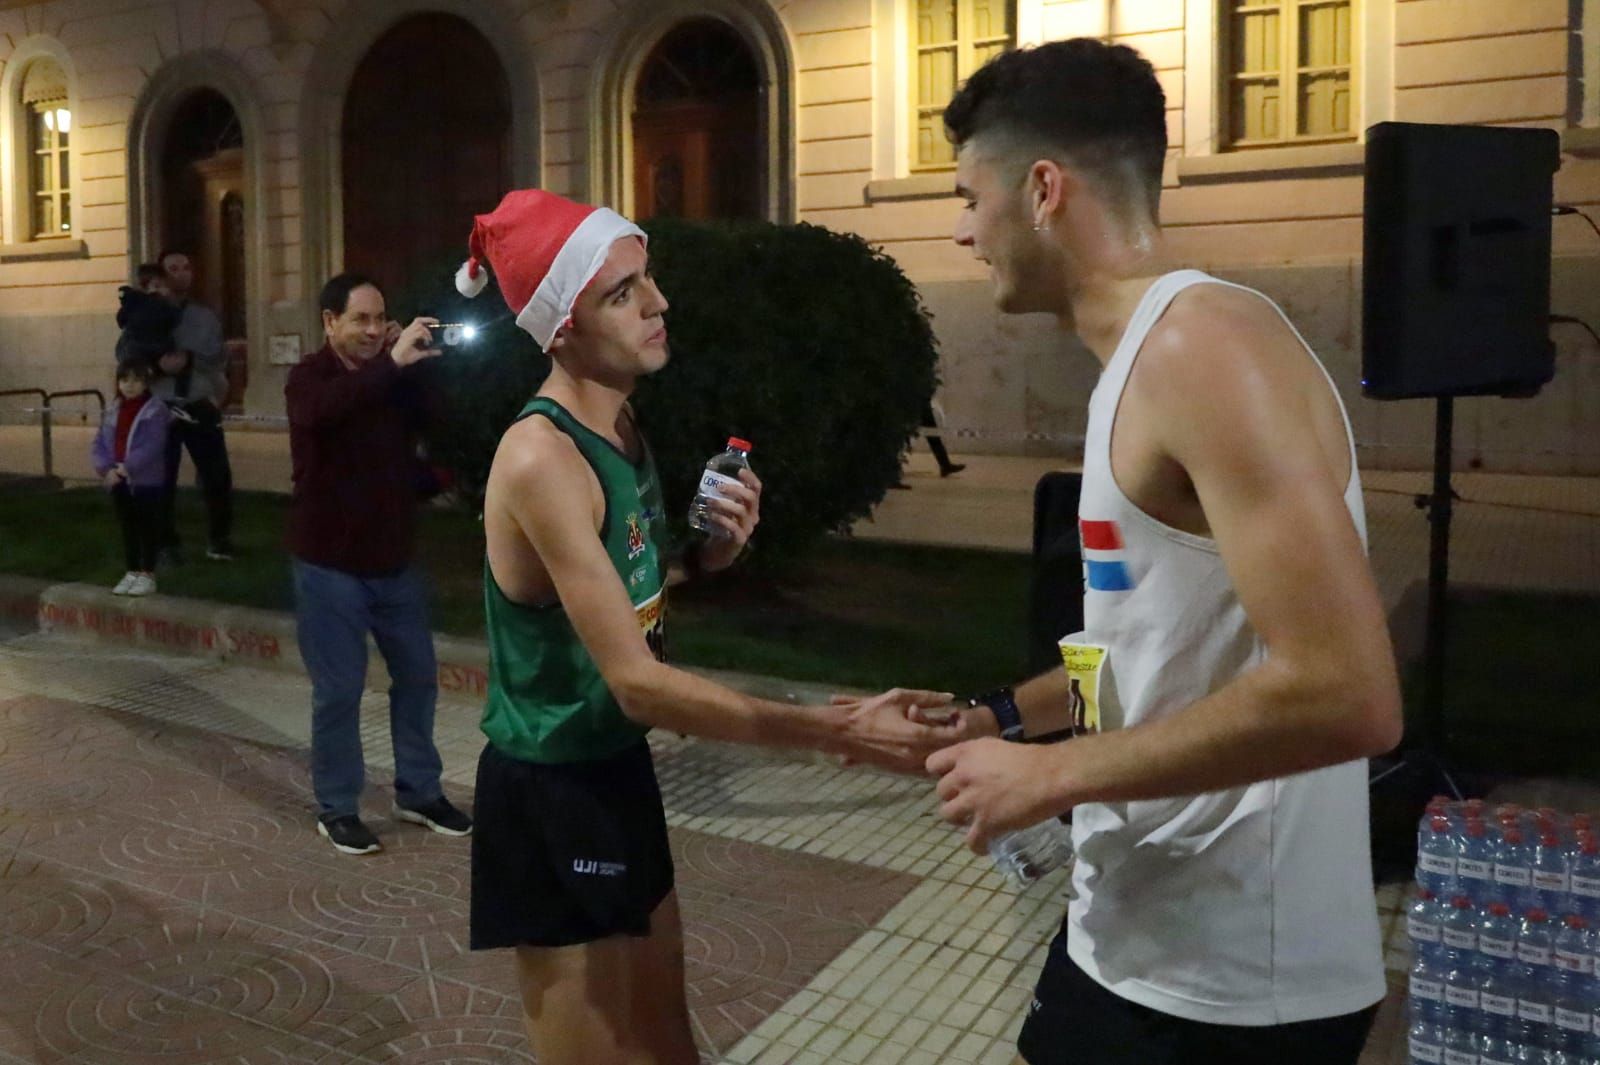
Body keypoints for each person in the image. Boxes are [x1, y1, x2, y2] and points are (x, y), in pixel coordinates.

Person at [916, 39, 1404, 1065]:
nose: (963, 231)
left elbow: (1348, 693)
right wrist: (998, 719)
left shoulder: (1203, 346)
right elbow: (1147, 649)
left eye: (969, 197)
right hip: (1129, 933)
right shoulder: (1134, 366)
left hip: (1226, 986)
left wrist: (1050, 779)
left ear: (1043, 190)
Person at [454, 189, 955, 1065]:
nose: (659, 303)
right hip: (551, 793)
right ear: (562, 328)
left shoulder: (622, 423)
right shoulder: (542, 457)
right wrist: (839, 730)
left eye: (649, 279)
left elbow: (630, 594)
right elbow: (637, 679)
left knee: (670, 1045)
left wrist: (710, 558)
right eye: (622, 293)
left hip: (615, 769)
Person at [285, 272, 473, 856]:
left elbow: (435, 422)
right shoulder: (308, 379)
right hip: (329, 565)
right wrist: (387, 364)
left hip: (393, 561)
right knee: (339, 691)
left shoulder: (391, 377)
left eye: (379, 318)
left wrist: (421, 366)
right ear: (329, 323)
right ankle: (338, 806)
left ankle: (418, 791)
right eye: (359, 319)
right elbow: (327, 414)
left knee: (417, 677)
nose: (371, 330)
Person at [153, 248, 235, 563]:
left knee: (216, 474)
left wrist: (190, 359)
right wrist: (157, 364)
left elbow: (218, 357)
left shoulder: (204, 316)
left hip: (198, 403)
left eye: (187, 267)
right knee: (160, 478)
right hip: (161, 405)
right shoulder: (144, 313)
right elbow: (128, 354)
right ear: (162, 275)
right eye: (173, 268)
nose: (182, 273)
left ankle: (220, 539)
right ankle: (164, 544)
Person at [92, 360, 173, 597]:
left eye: (136, 380)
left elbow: (151, 446)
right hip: (118, 480)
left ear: (146, 383)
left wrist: (124, 469)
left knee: (147, 527)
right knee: (128, 526)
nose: (129, 386)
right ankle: (132, 570)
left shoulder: (154, 410)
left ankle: (147, 573)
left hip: (145, 481)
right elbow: (100, 442)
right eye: (125, 380)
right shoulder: (114, 409)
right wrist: (104, 468)